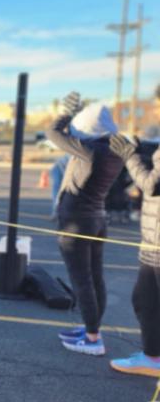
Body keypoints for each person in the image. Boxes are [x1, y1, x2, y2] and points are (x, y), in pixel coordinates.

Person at [46, 93, 124, 356]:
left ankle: (92, 339)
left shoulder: (89, 151)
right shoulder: (114, 150)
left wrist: (65, 113)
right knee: (95, 277)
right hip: (97, 219)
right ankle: (93, 329)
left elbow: (53, 133)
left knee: (82, 280)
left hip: (77, 222)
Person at [108, 84, 160, 376]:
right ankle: (152, 357)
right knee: (145, 299)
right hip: (152, 240)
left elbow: (152, 184)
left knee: (149, 301)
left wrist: (130, 156)